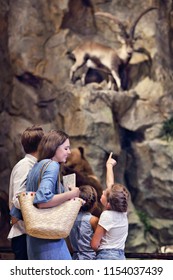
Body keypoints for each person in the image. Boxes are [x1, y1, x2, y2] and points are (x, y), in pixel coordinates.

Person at [25, 129, 80, 260]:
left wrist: (68, 194)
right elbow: (43, 201)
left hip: (34, 238)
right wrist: (71, 194)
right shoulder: (52, 166)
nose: (69, 152)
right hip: (49, 238)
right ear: (55, 147)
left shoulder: (37, 166)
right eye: (66, 148)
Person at [8, 125, 44, 260]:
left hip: (30, 232)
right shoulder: (25, 166)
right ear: (41, 145)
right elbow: (18, 198)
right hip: (23, 233)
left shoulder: (35, 165)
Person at [91, 152, 129, 260]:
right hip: (120, 256)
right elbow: (110, 186)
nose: (102, 192)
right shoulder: (122, 213)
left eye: (103, 193)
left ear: (108, 203)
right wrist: (109, 166)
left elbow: (94, 244)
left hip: (106, 257)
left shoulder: (107, 216)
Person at [69, 185, 99, 260]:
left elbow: (69, 245)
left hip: (74, 258)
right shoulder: (93, 220)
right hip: (91, 258)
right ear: (94, 203)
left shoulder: (70, 220)